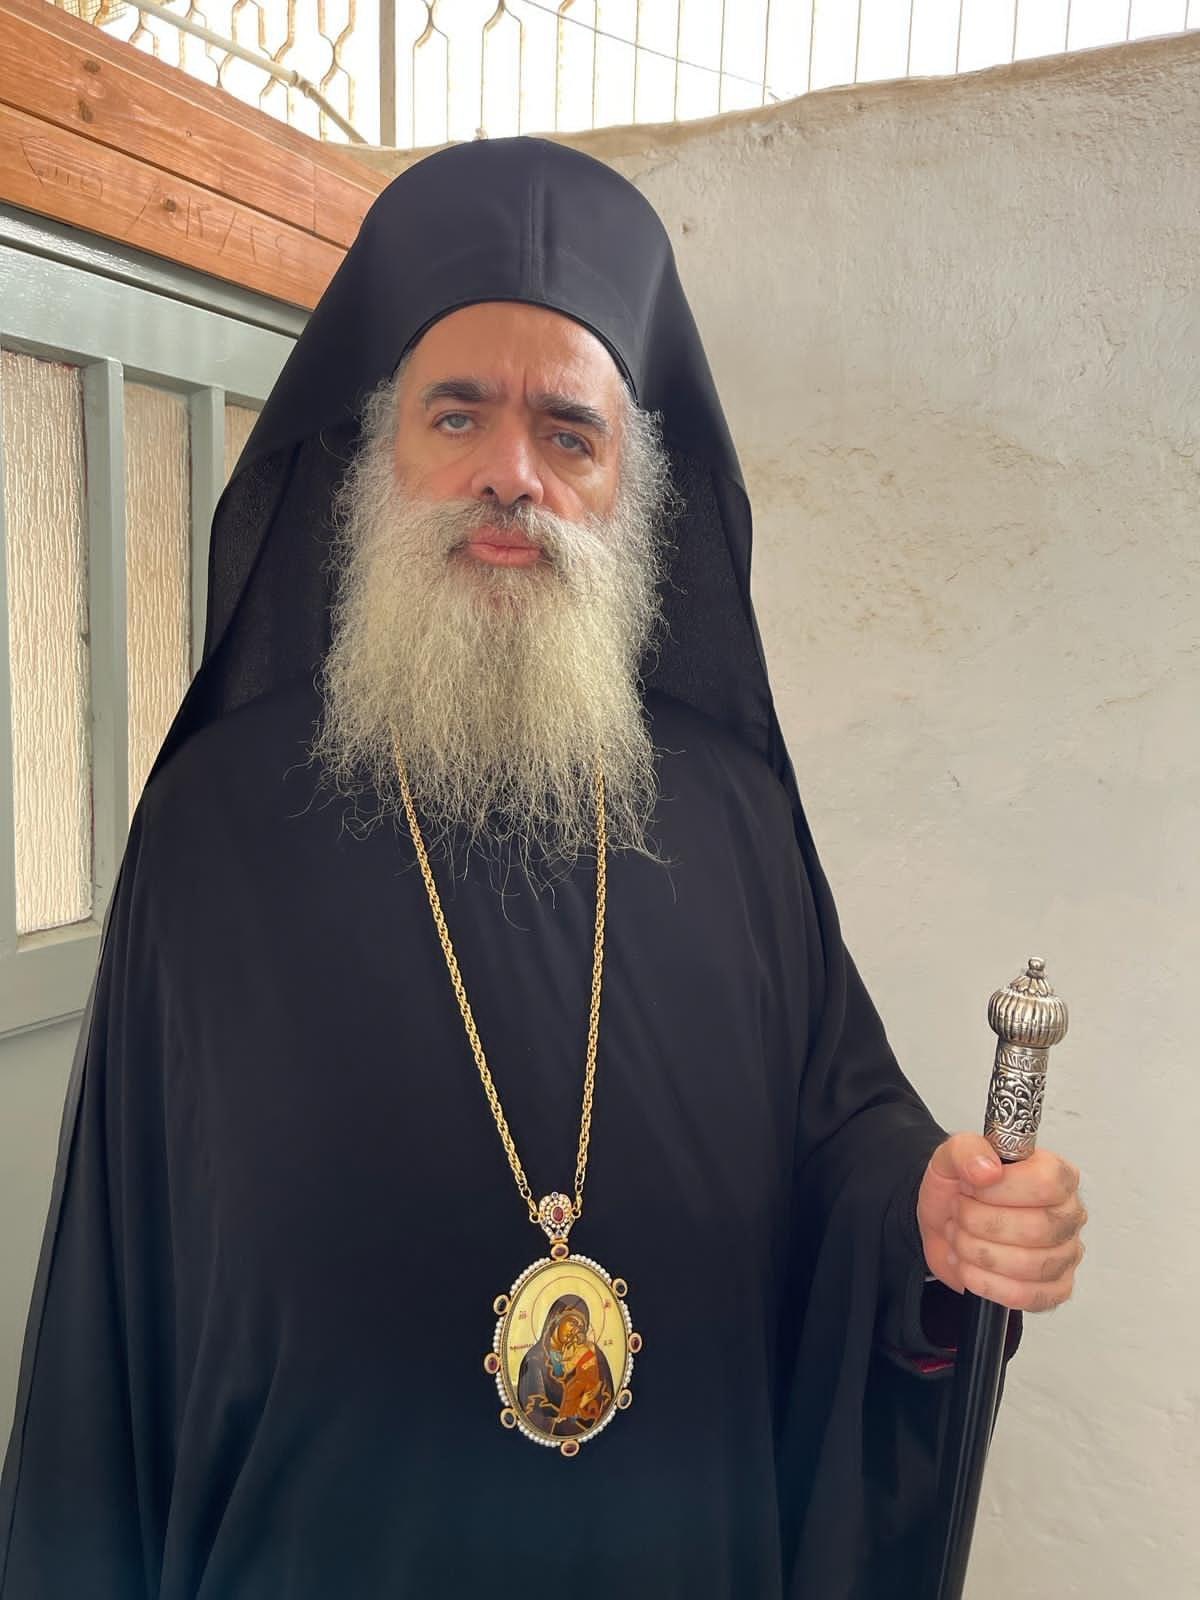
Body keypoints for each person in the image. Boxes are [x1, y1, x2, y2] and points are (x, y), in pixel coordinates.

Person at [0, 138, 1085, 1598]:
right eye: (458, 414)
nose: (508, 473)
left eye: (569, 434)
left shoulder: (730, 819)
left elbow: (841, 1140)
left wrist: (927, 1217)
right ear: (378, 453)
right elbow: (115, 1310)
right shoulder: (217, 828)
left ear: (632, 491)